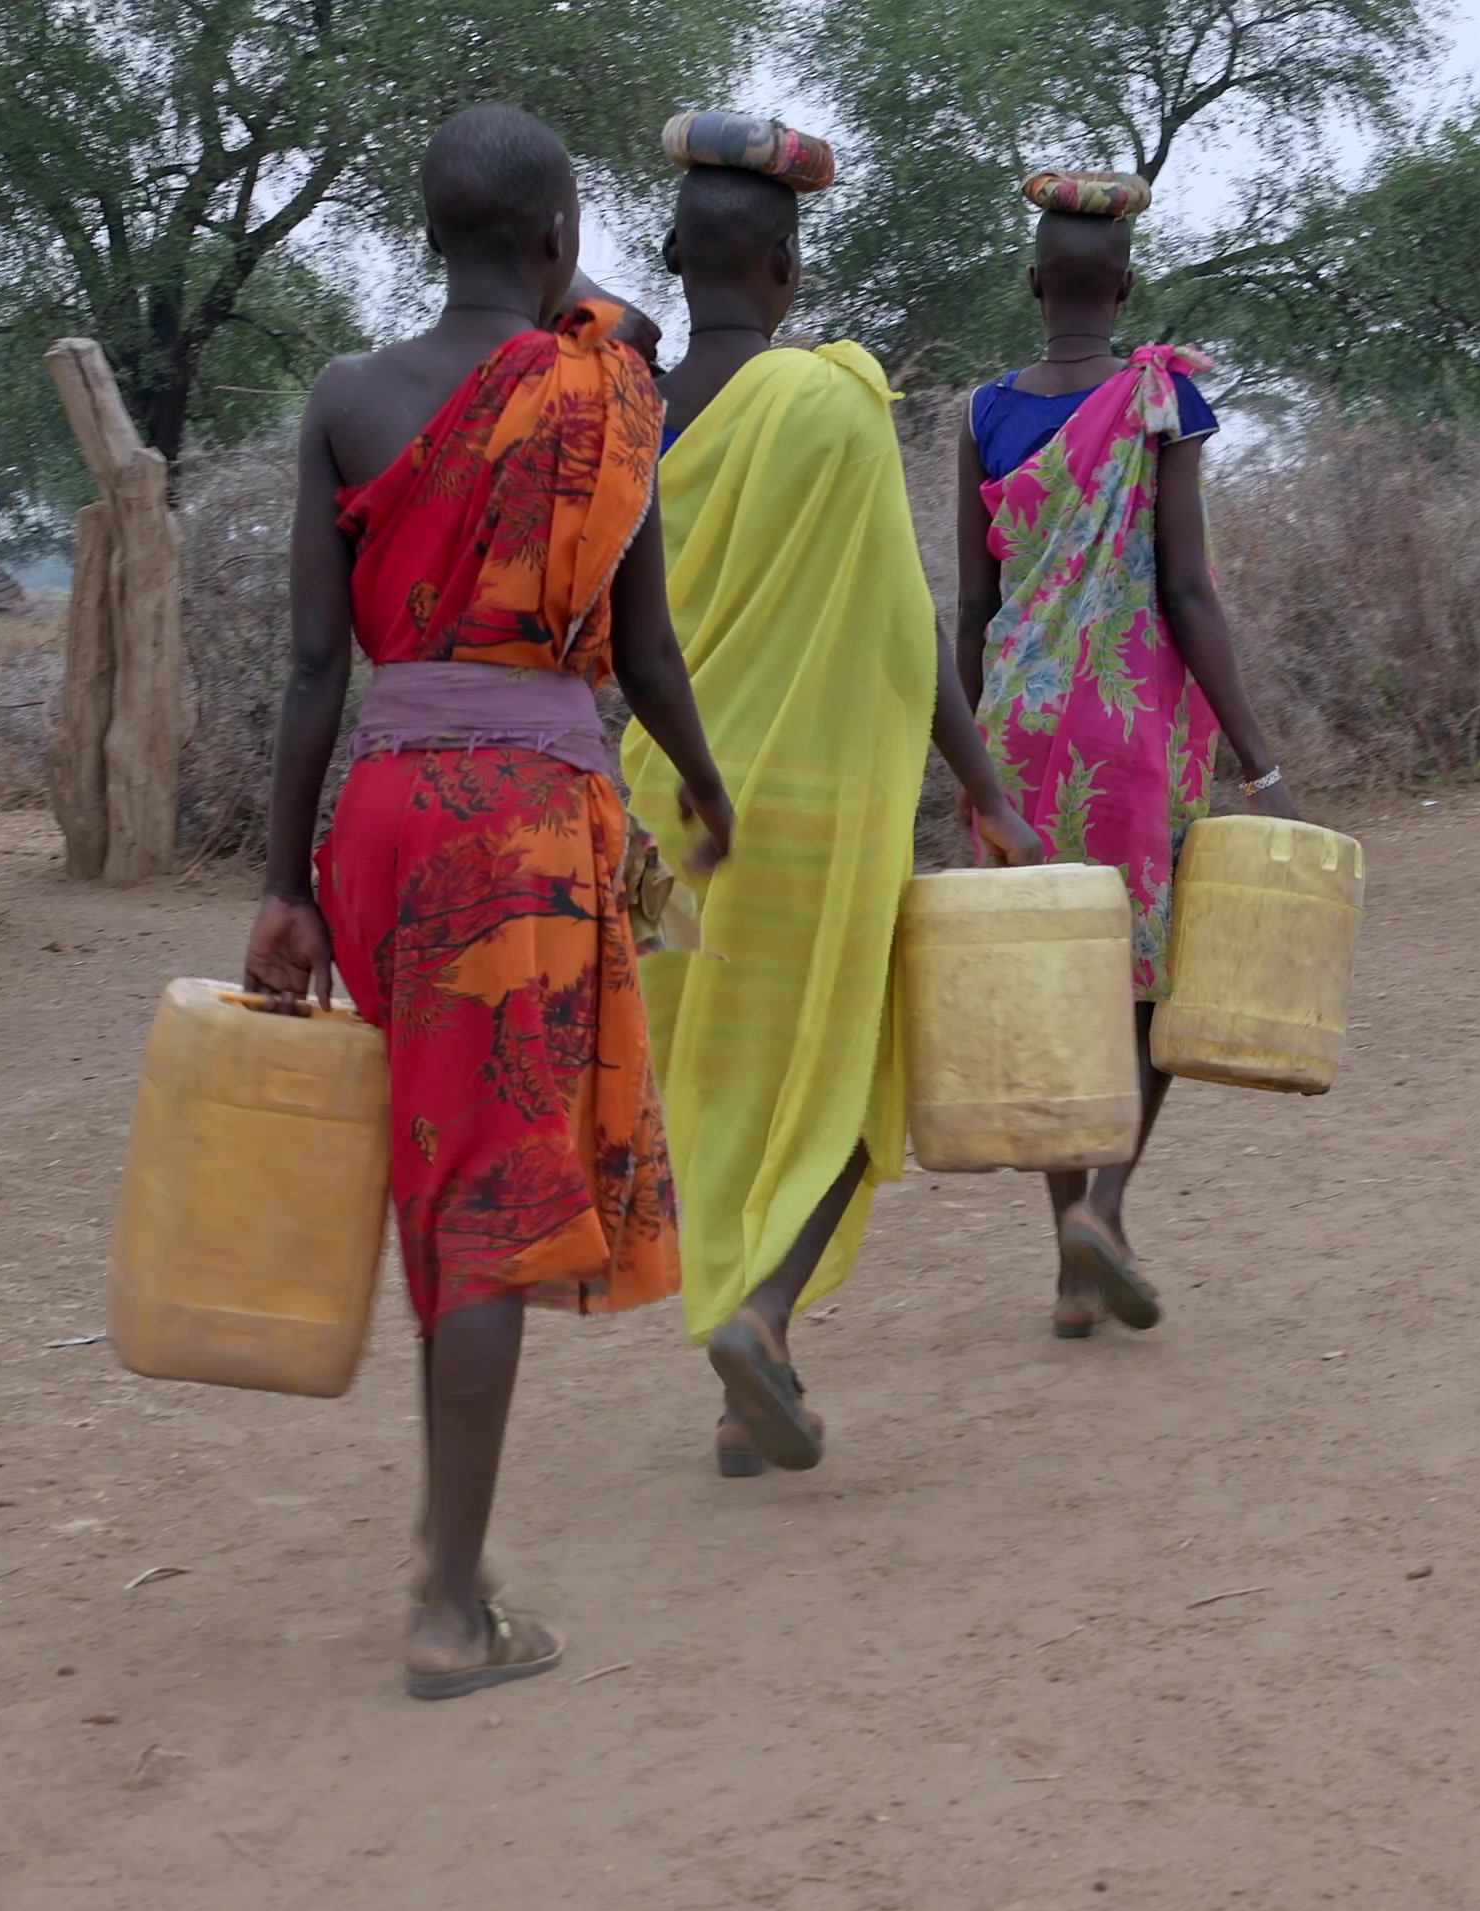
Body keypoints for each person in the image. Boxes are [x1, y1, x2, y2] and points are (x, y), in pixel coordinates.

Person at [245, 104, 736, 1700]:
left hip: (384, 821)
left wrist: (281, 882)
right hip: (525, 830)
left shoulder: (345, 398)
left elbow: (320, 666)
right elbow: (646, 652)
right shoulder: (610, 396)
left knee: (438, 1178)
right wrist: (708, 789)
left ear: (431, 232)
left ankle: (446, 1559)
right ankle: (452, 1608)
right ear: (556, 241)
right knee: (494, 1206)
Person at [632, 114, 1045, 1475]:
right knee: (853, 1086)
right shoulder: (830, 403)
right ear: (790, 269)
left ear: (676, 258)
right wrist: (985, 789)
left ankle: (755, 1372)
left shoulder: (623, 416)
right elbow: (902, 625)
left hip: (668, 818)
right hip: (809, 819)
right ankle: (759, 1314)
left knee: (714, 1086)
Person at [953, 169, 1301, 1340]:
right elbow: (1191, 591)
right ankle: (1104, 1208)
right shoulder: (1166, 403)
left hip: (1016, 731)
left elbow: (973, 607)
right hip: (1132, 728)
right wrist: (1260, 761)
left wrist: (971, 767)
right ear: (1128, 287)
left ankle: (1068, 1262)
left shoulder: (982, 413)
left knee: (1051, 981)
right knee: (1149, 983)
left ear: (1035, 283)